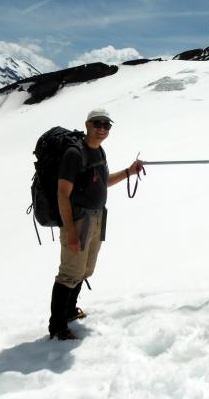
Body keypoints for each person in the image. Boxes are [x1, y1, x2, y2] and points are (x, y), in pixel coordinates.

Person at [48, 108, 144, 340]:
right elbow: (62, 194)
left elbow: (104, 182)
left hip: (97, 217)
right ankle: (57, 327)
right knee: (69, 273)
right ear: (87, 125)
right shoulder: (75, 153)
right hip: (78, 220)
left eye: (106, 125)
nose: (102, 129)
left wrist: (129, 171)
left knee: (85, 269)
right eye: (97, 124)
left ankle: (69, 312)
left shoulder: (98, 152)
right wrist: (70, 230)